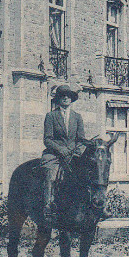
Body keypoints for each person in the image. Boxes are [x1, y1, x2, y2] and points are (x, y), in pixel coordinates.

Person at [41, 85, 86, 221]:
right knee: (51, 174)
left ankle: (94, 206)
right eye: (63, 96)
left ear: (71, 99)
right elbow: (47, 140)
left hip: (73, 154)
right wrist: (61, 150)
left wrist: (75, 151)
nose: (66, 98)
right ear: (58, 99)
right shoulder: (51, 116)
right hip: (55, 154)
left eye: (68, 96)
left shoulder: (77, 117)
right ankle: (48, 205)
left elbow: (81, 139)